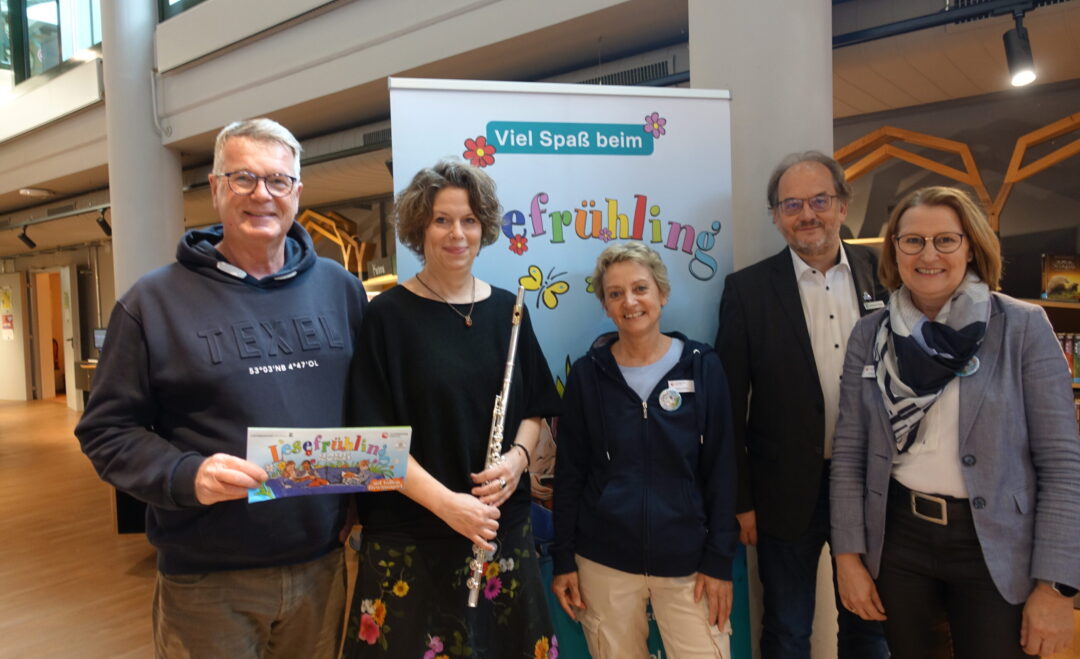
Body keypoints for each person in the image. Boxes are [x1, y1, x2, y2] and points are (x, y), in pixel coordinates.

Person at [75, 118, 367, 658]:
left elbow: (366, 407)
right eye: (243, 179)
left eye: (278, 181)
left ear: (297, 194)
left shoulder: (341, 291)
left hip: (322, 566)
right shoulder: (151, 303)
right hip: (207, 579)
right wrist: (188, 475)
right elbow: (107, 430)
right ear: (215, 188)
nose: (263, 194)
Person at [830, 186, 1080, 658]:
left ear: (971, 246)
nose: (928, 254)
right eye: (912, 241)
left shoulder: (1022, 327)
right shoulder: (871, 334)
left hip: (996, 546)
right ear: (895, 249)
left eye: (945, 240)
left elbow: (1063, 464)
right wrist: (848, 557)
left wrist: (1058, 585)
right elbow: (850, 453)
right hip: (899, 541)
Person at [341, 160, 560, 658]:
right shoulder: (387, 317)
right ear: (420, 227)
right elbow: (375, 442)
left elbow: (535, 409)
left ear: (483, 227)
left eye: (468, 220)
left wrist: (516, 461)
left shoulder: (511, 309)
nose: (456, 233)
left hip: (499, 529)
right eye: (442, 220)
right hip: (415, 535)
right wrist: (450, 505)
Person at [715, 151, 890, 658]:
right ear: (775, 215)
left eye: (819, 200)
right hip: (783, 492)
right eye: (792, 205)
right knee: (789, 629)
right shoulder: (746, 291)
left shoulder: (885, 275)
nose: (807, 214)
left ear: (842, 204)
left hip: (870, 484)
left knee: (871, 623)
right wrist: (741, 500)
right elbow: (728, 405)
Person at [551, 242, 737, 658]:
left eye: (640, 288)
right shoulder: (587, 376)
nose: (629, 302)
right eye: (615, 294)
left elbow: (723, 469)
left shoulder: (702, 366)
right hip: (604, 564)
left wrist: (720, 559)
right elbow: (570, 475)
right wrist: (563, 559)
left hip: (691, 565)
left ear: (662, 294)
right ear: (605, 305)